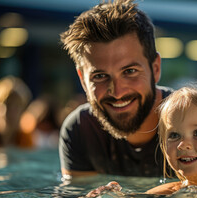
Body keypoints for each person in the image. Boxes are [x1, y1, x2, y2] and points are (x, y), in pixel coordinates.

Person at [59, 0, 173, 178]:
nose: (117, 92)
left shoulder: (192, 121)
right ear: (83, 80)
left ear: (156, 68)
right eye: (100, 76)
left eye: (130, 71)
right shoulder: (81, 129)